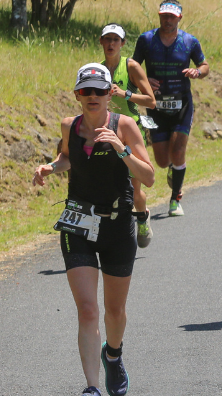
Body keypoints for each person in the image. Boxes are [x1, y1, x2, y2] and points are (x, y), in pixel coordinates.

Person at [34, 63, 155, 396]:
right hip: (78, 223)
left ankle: (113, 356)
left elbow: (148, 177)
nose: (92, 97)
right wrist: (50, 167)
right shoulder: (68, 126)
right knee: (88, 309)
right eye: (86, 91)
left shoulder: (125, 125)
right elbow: (69, 158)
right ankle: (92, 387)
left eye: (99, 91)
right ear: (77, 94)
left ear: (109, 94)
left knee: (114, 311)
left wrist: (121, 147)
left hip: (117, 224)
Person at [132, 0, 209, 218]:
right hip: (155, 105)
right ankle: (172, 171)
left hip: (182, 104)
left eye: (172, 17)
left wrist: (198, 72)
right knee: (162, 160)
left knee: (177, 151)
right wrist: (144, 80)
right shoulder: (146, 40)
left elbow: (204, 65)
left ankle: (175, 197)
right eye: (164, 16)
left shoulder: (189, 41)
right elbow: (133, 67)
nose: (167, 20)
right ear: (159, 16)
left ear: (179, 18)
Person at [97, 24, 157, 248]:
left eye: (116, 40)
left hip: (131, 134)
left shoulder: (130, 66)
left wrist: (126, 94)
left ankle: (142, 217)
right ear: (101, 42)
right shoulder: (99, 69)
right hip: (106, 132)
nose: (111, 44)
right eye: (107, 39)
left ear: (122, 43)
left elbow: (151, 100)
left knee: (134, 187)